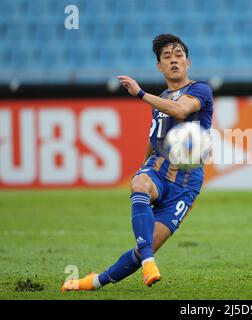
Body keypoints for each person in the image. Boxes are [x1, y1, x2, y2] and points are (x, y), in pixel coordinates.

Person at [62, 34, 213, 291]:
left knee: (143, 248)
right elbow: (155, 137)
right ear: (159, 67)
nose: (173, 60)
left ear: (188, 62)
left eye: (178, 56)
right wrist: (143, 166)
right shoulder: (163, 97)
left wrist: (140, 93)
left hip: (187, 182)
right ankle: (150, 263)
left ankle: (94, 282)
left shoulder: (199, 90)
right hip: (159, 168)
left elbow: (179, 111)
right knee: (140, 183)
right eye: (167, 57)